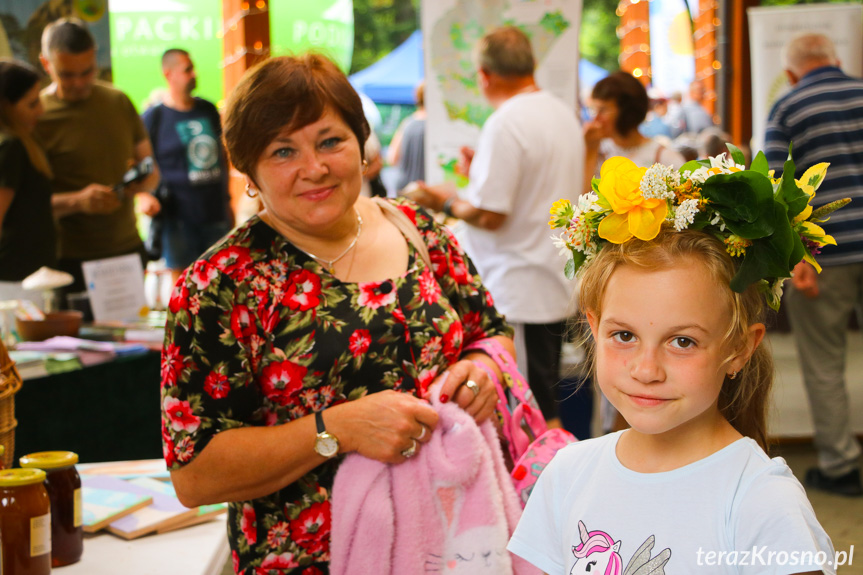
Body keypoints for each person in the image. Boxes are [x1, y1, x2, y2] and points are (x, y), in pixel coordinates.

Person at [161, 53, 516, 574]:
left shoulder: (418, 230)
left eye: (330, 141)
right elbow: (195, 476)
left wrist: (483, 371)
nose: (315, 167)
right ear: (249, 172)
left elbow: (492, 334)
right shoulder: (221, 286)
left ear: (361, 144)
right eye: (283, 151)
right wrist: (335, 429)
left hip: (455, 547)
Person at [510, 152, 841, 573]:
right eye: (624, 336)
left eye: (682, 341)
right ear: (594, 328)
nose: (646, 370)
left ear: (738, 348)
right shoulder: (566, 475)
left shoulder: (761, 502)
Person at [412, 26, 583, 428]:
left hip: (518, 286)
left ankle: (539, 486)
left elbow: (491, 215)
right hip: (548, 276)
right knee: (541, 397)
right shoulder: (562, 114)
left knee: (530, 409)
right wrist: (477, 178)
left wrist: (443, 200)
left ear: (485, 75)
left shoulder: (507, 122)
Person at [764, 32, 863, 497]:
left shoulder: (787, 107)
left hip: (828, 254)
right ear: (836, 60)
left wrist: (796, 255)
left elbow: (777, 187)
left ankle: (841, 466)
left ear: (790, 71)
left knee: (825, 362)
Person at [34, 17, 160, 298]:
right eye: (67, 74)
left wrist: (138, 185)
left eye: (87, 71)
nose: (79, 83)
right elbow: (25, 204)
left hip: (126, 251)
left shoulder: (118, 102)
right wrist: (78, 201)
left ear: (95, 58)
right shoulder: (36, 115)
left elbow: (152, 172)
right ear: (46, 64)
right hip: (66, 260)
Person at [143, 48, 233, 283]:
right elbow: (140, 161)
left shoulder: (208, 110)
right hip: (177, 217)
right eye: (187, 70)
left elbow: (222, 156)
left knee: (220, 281)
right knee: (183, 283)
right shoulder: (155, 117)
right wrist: (144, 195)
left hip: (214, 212)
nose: (194, 74)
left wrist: (227, 201)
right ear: (168, 74)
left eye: (193, 68)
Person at [584, 72, 686, 197]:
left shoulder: (664, 158)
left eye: (603, 110)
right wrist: (590, 150)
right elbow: (581, 203)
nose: (596, 119)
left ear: (627, 113)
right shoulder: (595, 151)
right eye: (594, 110)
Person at [0, 59, 56, 281]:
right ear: (6, 106)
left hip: (31, 275)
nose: (41, 111)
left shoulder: (24, 142)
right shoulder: (10, 147)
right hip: (15, 278)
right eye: (32, 104)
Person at [387, 81, 426, 194]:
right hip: (427, 190)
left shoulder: (407, 124)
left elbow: (392, 158)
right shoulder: (435, 125)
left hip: (405, 189)